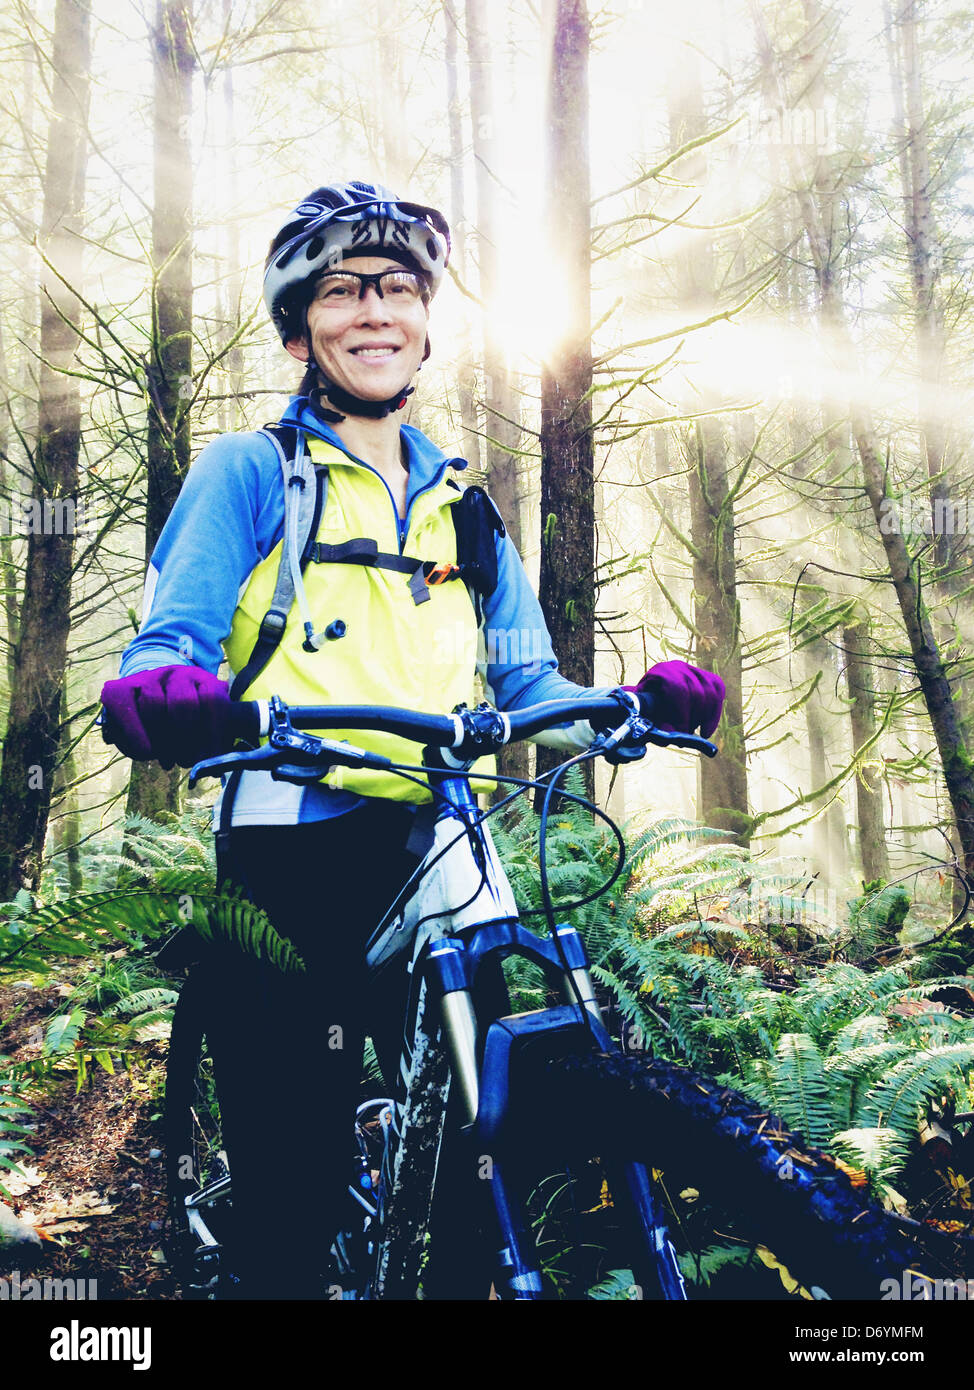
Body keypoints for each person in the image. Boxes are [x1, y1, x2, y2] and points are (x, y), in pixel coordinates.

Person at [100, 179, 725, 1299]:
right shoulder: (249, 474)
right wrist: (164, 697)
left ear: (427, 320)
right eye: (340, 290)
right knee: (290, 1176)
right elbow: (168, 642)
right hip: (291, 829)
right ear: (299, 327)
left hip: (442, 827)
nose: (373, 311)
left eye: (397, 287)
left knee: (499, 1119)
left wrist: (633, 700)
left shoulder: (463, 506)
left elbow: (529, 676)